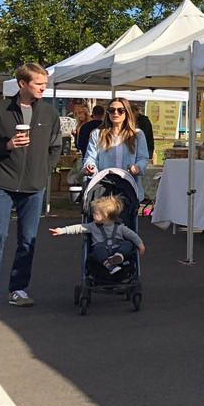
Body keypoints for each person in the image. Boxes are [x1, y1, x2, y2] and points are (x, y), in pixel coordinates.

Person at [0, 63, 61, 307]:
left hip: (34, 185)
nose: (44, 88)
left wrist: (45, 171)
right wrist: (6, 147)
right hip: (1, 182)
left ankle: (18, 289)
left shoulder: (49, 113)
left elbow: (56, 147)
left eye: (45, 83)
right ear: (22, 84)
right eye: (39, 84)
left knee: (27, 239)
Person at [83, 98, 150, 231]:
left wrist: (137, 167)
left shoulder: (137, 135)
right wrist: (90, 167)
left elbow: (143, 158)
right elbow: (90, 157)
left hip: (128, 185)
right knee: (102, 222)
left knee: (125, 223)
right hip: (104, 185)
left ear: (127, 113)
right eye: (112, 110)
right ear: (107, 113)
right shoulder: (98, 134)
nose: (116, 113)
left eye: (120, 110)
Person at [49, 194, 145, 281]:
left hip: (117, 249)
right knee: (98, 249)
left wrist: (141, 246)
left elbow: (133, 235)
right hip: (103, 250)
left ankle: (119, 255)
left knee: (128, 243)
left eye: (95, 213)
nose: (93, 215)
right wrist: (61, 230)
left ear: (104, 216)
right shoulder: (92, 226)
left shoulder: (120, 226)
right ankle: (109, 265)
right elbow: (78, 228)